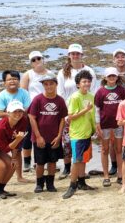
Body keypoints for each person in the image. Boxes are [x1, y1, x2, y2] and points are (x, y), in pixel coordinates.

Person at [57, 43, 97, 178]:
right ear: (69, 56)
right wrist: (64, 114)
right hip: (69, 112)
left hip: (86, 113)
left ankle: (80, 173)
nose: (75, 56)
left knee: (83, 143)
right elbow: (60, 93)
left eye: (77, 53)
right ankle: (67, 168)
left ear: (81, 55)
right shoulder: (63, 72)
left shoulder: (89, 71)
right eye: (72, 54)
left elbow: (93, 92)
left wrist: (94, 118)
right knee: (67, 142)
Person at [27, 73, 68, 193]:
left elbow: (62, 119)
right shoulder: (38, 99)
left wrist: (59, 135)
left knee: (52, 161)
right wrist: (38, 136)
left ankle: (50, 183)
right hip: (40, 138)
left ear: (56, 84)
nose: (49, 86)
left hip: (54, 137)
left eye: (51, 83)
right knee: (40, 163)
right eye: (46, 84)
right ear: (43, 85)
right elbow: (32, 118)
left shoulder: (60, 100)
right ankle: (39, 184)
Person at [62, 69, 97, 199]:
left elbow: (92, 114)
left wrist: (94, 128)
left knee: (83, 159)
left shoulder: (91, 96)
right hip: (77, 134)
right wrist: (85, 109)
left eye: (88, 81)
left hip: (87, 132)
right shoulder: (75, 97)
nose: (86, 83)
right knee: (76, 161)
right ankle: (72, 185)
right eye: (84, 81)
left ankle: (82, 182)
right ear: (78, 84)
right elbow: (70, 117)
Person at [0, 70, 32, 183]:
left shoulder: (24, 93)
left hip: (23, 124)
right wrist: (13, 115)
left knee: (18, 150)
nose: (12, 81)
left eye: (15, 79)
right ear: (4, 82)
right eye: (9, 79)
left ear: (19, 81)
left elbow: (27, 109)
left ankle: (19, 176)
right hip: (7, 126)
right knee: (5, 149)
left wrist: (17, 114)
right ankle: (3, 171)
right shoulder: (1, 95)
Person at [94, 67, 125, 187]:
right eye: (109, 76)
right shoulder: (100, 91)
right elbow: (97, 109)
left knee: (119, 150)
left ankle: (120, 175)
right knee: (104, 149)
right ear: (105, 78)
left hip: (119, 124)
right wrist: (97, 124)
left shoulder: (122, 91)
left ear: (117, 77)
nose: (112, 78)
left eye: (114, 76)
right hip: (104, 125)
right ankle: (106, 176)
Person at [20, 50, 50, 173]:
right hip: (30, 109)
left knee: (45, 135)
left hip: (46, 108)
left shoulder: (50, 74)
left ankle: (43, 161)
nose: (37, 61)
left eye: (38, 58)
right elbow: (23, 92)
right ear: (31, 63)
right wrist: (25, 109)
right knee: (28, 136)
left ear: (43, 59)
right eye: (33, 60)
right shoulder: (28, 74)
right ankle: (27, 162)